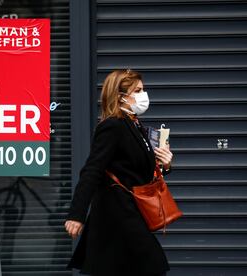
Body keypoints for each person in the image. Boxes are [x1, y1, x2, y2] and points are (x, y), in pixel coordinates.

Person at [65, 69, 174, 276]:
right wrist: (77, 214)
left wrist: (165, 165)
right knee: (151, 264)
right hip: (116, 214)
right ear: (120, 96)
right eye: (138, 90)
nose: (144, 95)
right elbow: (92, 170)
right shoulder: (112, 127)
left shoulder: (135, 126)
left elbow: (138, 172)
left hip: (132, 212)